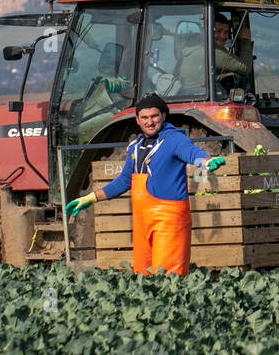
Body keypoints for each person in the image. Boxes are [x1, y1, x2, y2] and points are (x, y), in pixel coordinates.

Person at [65, 93, 225, 275]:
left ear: (164, 116)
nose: (150, 122)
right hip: (142, 222)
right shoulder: (135, 146)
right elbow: (124, 181)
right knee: (143, 276)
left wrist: (205, 162)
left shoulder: (174, 139)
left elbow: (191, 152)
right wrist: (90, 198)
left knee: (168, 279)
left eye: (154, 116)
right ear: (137, 120)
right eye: (145, 118)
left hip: (169, 220)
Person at [213, 12, 253, 94]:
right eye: (218, 31)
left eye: (226, 32)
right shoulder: (213, 52)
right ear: (206, 30)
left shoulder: (200, 47)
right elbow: (245, 67)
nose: (223, 36)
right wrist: (245, 40)